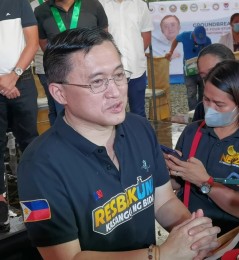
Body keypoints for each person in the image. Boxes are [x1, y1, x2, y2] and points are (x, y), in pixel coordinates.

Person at [17, 28, 220, 259]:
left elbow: (163, 202)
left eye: (119, 75)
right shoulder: (39, 165)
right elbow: (67, 258)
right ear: (60, 93)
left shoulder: (139, 129)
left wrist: (193, 236)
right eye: (97, 82)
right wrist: (160, 255)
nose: (115, 92)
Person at [164, 60, 239, 234]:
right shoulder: (194, 131)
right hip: (188, 231)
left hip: (230, 237)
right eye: (206, 100)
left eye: (219, 104)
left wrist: (205, 182)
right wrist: (169, 170)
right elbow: (177, 185)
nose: (210, 108)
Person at [0, 0, 39, 232]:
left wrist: (12, 77)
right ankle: (2, 205)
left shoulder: (19, 3)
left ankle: (37, 194)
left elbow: (32, 43)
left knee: (30, 142)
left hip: (21, 81)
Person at [34, 0, 108, 117]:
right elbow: (44, 43)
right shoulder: (40, 11)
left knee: (98, 112)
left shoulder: (94, 5)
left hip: (93, 74)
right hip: (63, 76)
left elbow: (104, 37)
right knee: (65, 115)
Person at [99, 0, 153, 118]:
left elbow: (146, 36)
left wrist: (135, 54)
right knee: (112, 110)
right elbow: (99, 37)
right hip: (110, 70)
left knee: (138, 111)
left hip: (136, 69)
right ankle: (116, 136)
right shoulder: (100, 5)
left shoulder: (140, 5)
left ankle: (138, 136)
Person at [165, 26, 212, 111]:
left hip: (202, 72)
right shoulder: (185, 36)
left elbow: (211, 54)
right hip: (189, 72)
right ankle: (193, 113)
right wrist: (171, 52)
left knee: (203, 92)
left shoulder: (208, 41)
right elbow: (176, 39)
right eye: (197, 40)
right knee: (191, 93)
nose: (200, 42)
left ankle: (201, 112)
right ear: (193, 35)